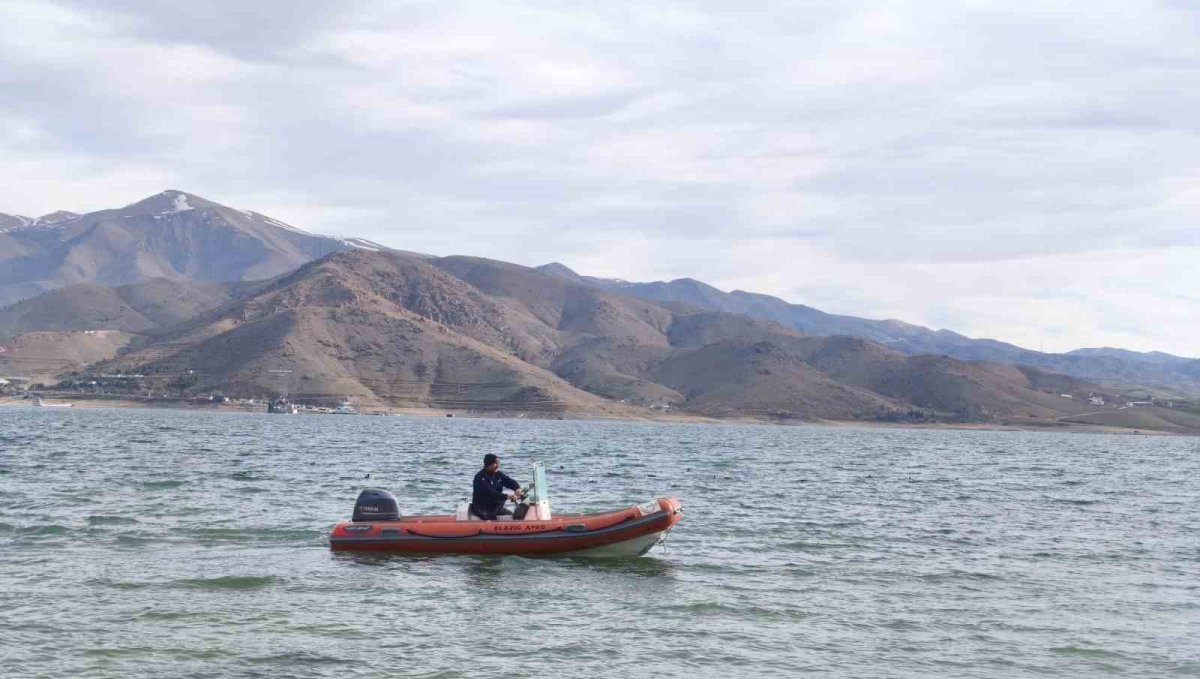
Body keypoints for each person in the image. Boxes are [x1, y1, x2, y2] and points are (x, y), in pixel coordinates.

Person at [470, 453, 522, 520]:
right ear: (489, 464)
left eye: (498, 463)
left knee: (512, 516)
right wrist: (507, 496)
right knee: (492, 518)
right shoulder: (480, 477)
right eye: (495, 463)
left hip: (496, 508)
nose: (498, 466)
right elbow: (490, 493)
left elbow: (509, 481)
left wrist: (517, 488)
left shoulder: (498, 474)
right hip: (482, 508)